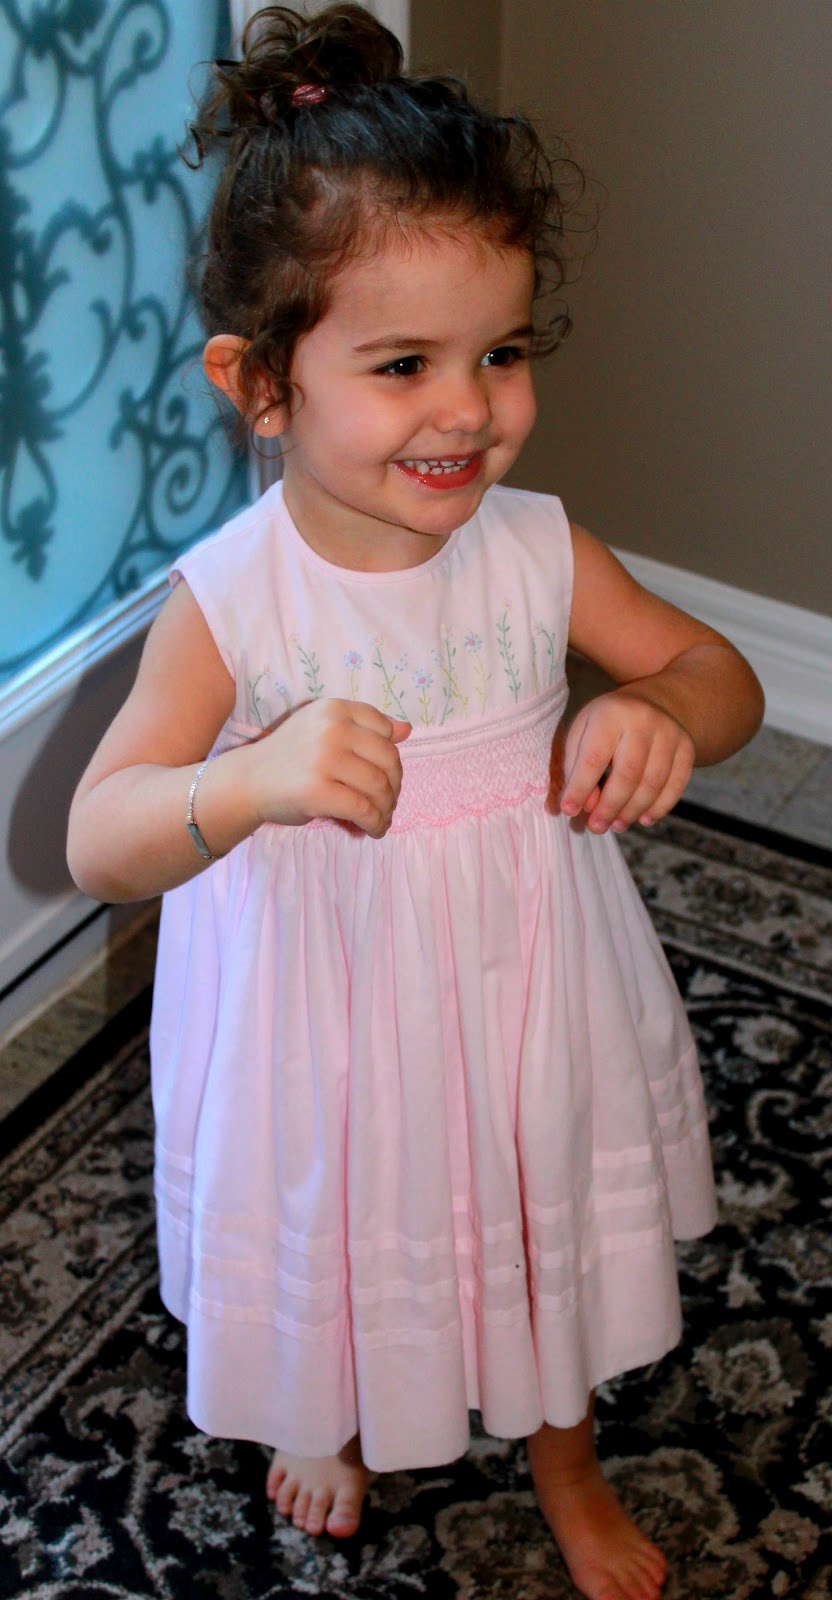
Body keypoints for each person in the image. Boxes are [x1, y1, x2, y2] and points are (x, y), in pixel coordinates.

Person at [67, 7, 764, 1598]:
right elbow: (98, 838)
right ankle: (330, 1420)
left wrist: (661, 708)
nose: (469, 410)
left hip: (525, 995)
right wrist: (247, 779)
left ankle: (565, 1456)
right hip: (321, 1020)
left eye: (500, 354)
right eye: (403, 367)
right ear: (259, 384)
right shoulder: (234, 601)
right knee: (351, 1228)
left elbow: (720, 673)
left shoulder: (537, 548)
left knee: (529, 1217)